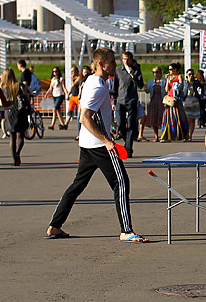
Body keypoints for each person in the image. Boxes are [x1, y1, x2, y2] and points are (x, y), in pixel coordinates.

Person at [44, 48, 148, 243]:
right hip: (98, 145)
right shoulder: (98, 86)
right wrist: (107, 140)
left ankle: (54, 226)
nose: (115, 64)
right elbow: (84, 118)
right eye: (112, 61)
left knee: (77, 185)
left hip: (87, 144)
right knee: (121, 183)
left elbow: (92, 112)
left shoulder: (92, 80)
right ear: (101, 64)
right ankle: (126, 230)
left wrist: (109, 124)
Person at [112, 52, 144, 157]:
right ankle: (127, 142)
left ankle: (129, 149)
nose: (125, 61)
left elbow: (140, 85)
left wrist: (133, 75)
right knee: (121, 124)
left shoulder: (136, 70)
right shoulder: (118, 71)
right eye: (124, 59)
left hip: (132, 100)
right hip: (120, 100)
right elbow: (114, 87)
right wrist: (113, 100)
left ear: (131, 59)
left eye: (127, 59)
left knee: (131, 125)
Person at [0, 68, 30, 166]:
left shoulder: (3, 87)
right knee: (21, 136)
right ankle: (18, 152)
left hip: (9, 111)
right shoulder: (19, 85)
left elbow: (1, 102)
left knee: (12, 136)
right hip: (20, 111)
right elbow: (26, 96)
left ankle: (14, 158)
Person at [161, 63, 188, 142]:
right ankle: (167, 136)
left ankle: (181, 135)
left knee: (178, 117)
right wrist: (167, 81)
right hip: (169, 99)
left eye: (171, 69)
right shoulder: (169, 78)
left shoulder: (179, 76)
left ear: (175, 69)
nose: (169, 71)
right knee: (168, 117)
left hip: (176, 99)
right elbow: (166, 89)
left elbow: (180, 87)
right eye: (169, 69)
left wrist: (172, 81)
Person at [145, 67, 166, 142]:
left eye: (156, 72)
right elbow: (147, 91)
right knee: (154, 119)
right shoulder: (151, 81)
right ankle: (156, 136)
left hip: (162, 100)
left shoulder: (164, 81)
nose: (155, 74)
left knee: (162, 118)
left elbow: (167, 90)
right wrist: (145, 86)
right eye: (153, 72)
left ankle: (163, 135)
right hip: (154, 100)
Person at [183, 69, 204, 142]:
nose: (191, 76)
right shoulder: (185, 82)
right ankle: (186, 134)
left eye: (192, 74)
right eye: (189, 74)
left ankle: (190, 136)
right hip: (187, 100)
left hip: (195, 100)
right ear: (186, 75)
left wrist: (201, 95)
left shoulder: (196, 82)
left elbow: (202, 87)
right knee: (188, 119)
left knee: (193, 119)